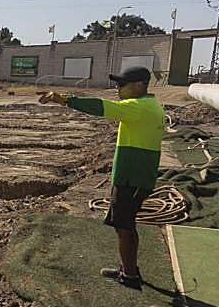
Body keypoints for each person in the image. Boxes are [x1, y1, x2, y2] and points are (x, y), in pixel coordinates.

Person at [40, 66, 165, 289]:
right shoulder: (149, 105)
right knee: (126, 224)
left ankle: (129, 276)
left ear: (140, 85)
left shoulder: (138, 107)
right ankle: (129, 268)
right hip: (135, 176)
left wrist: (66, 100)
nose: (118, 89)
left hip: (132, 178)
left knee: (124, 225)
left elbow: (102, 107)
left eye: (122, 84)